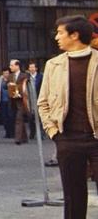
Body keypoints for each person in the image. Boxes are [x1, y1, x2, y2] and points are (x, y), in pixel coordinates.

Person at [38, 16, 98, 219]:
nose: (57, 37)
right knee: (73, 198)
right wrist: (54, 133)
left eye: (61, 32)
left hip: (96, 137)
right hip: (67, 139)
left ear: (75, 35)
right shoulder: (53, 65)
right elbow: (43, 102)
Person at [3, 59, 30, 144]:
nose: (10, 67)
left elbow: (27, 87)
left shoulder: (24, 75)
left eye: (12, 65)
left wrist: (17, 86)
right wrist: (8, 85)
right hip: (13, 100)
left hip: (21, 100)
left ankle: (17, 138)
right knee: (18, 118)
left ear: (17, 66)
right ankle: (24, 137)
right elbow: (4, 86)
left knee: (19, 118)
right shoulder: (10, 76)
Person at [27, 61, 42, 140]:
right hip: (30, 99)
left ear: (36, 68)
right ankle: (32, 133)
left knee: (40, 117)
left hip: (38, 98)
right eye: (30, 67)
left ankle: (41, 134)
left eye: (33, 67)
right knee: (30, 117)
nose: (31, 69)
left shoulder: (40, 77)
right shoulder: (27, 77)